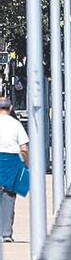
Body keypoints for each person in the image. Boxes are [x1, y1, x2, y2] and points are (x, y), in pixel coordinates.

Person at [0, 97, 30, 243]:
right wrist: (27, 164)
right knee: (8, 197)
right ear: (10, 108)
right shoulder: (15, 124)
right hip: (11, 162)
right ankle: (6, 233)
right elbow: (24, 148)